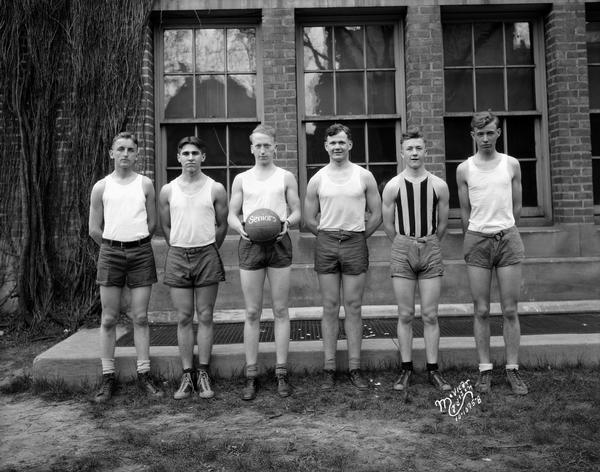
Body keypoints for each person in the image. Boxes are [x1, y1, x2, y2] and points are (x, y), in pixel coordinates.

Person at [304, 123, 382, 391]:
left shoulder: (364, 176)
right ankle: (329, 368)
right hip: (326, 241)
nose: (337, 147)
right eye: (332, 143)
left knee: (353, 306)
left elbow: (377, 213)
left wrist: (359, 235)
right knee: (329, 306)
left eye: (341, 142)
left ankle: (354, 367)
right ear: (326, 146)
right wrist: (327, 236)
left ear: (350, 145)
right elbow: (308, 218)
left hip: (354, 241)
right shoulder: (318, 178)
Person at [456, 111, 528, 395]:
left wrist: (505, 230)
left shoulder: (511, 165)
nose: (485, 138)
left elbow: (518, 206)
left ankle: (512, 370)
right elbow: (464, 211)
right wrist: (472, 238)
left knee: (510, 309)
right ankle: (484, 370)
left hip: (507, 238)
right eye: (479, 133)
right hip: (477, 239)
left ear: (498, 133)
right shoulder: (465, 169)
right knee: (482, 310)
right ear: (472, 135)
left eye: (490, 132)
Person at [88, 131, 163, 403]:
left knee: (140, 317)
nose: (125, 154)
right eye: (120, 149)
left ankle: (144, 375)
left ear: (137, 154)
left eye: (131, 150)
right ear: (111, 153)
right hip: (110, 253)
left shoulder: (145, 184)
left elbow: (152, 223)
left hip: (141, 252)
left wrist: (135, 242)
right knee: (108, 318)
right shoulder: (101, 187)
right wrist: (113, 246)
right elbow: (94, 229)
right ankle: (108, 377)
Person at [228, 124, 301, 400]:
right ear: (251, 148)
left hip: (279, 243)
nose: (262, 150)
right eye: (257, 146)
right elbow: (232, 214)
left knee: (281, 309)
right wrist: (240, 228)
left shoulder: (285, 177)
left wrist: (287, 224)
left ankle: (281, 372)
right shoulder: (242, 179)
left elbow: (297, 211)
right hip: (250, 244)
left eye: (267, 145)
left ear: (275, 147)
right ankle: (251, 374)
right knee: (251, 312)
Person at [381, 127, 452, 394]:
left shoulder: (438, 185)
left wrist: (427, 242)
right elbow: (388, 226)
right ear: (402, 153)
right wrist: (405, 244)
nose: (414, 152)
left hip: (430, 246)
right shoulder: (393, 186)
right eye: (409, 148)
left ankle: (434, 370)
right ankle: (406, 369)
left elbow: (442, 225)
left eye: (418, 148)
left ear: (426, 151)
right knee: (406, 313)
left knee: (431, 314)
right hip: (402, 248)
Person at [158, 136, 228, 400]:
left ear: (203, 157)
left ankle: (204, 373)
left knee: (206, 314)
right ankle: (187, 374)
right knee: (185, 317)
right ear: (178, 158)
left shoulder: (215, 188)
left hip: (207, 253)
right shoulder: (168, 190)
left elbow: (222, 224)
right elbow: (165, 226)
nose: (190, 157)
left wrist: (209, 247)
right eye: (185, 153)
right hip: (177, 255)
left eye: (195, 153)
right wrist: (178, 245)